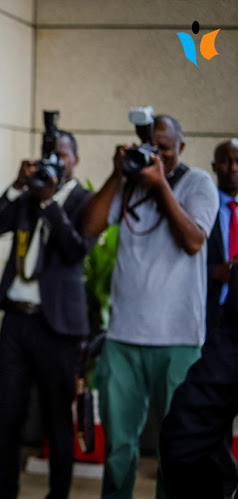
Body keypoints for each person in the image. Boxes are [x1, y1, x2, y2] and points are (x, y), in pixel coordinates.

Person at [81, 115, 219, 498]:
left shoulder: (198, 184)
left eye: (167, 149)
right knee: (119, 446)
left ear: (182, 148)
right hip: (124, 337)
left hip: (178, 338)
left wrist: (161, 186)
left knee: (176, 445)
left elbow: (193, 241)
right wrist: (115, 175)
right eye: (152, 148)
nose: (158, 156)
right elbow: (89, 228)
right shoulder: (129, 183)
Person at [0, 130, 93, 499]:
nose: (54, 163)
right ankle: (6, 495)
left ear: (75, 160)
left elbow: (76, 250)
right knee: (6, 415)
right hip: (16, 321)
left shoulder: (83, 201)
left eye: (62, 156)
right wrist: (17, 186)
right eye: (49, 156)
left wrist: (50, 204)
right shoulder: (29, 194)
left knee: (58, 418)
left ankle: (58, 495)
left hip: (58, 327)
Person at [159, 139, 238, 499]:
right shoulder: (205, 196)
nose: (233, 168)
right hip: (217, 329)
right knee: (187, 434)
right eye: (226, 161)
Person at [206, 139, 238, 331]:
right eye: (226, 161)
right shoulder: (202, 207)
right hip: (212, 309)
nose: (233, 168)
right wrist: (214, 272)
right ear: (215, 166)